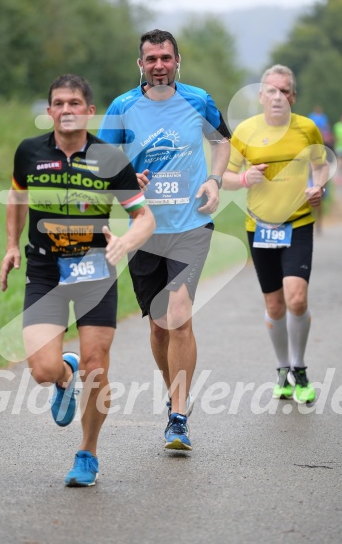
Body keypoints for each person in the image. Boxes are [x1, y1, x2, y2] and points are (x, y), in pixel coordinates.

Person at [0, 74, 155, 486]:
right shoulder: (29, 153)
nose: (66, 110)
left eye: (74, 103)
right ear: (49, 111)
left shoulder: (110, 159)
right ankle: (63, 380)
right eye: (58, 103)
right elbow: (17, 198)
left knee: (96, 366)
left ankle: (87, 453)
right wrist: (12, 246)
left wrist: (124, 242)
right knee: (41, 369)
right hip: (46, 270)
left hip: (95, 269)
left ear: (89, 111)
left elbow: (145, 217)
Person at [97, 29, 231, 450]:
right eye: (151, 58)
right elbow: (101, 162)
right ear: (141, 64)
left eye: (166, 58)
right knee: (158, 328)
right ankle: (177, 393)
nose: (159, 65)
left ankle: (177, 416)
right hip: (146, 229)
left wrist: (213, 180)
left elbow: (222, 141)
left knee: (178, 314)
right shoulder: (123, 106)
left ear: (177, 62)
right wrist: (125, 180)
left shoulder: (198, 99)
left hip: (191, 225)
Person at [223, 64, 329, 404]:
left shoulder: (307, 129)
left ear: (293, 97)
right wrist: (244, 178)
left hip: (297, 223)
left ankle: (299, 368)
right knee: (274, 303)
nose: (277, 96)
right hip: (260, 227)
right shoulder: (246, 132)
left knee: (296, 298)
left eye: (284, 91)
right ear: (261, 95)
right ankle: (282, 369)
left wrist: (319, 187)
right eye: (271, 90)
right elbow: (224, 175)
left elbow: (321, 164)